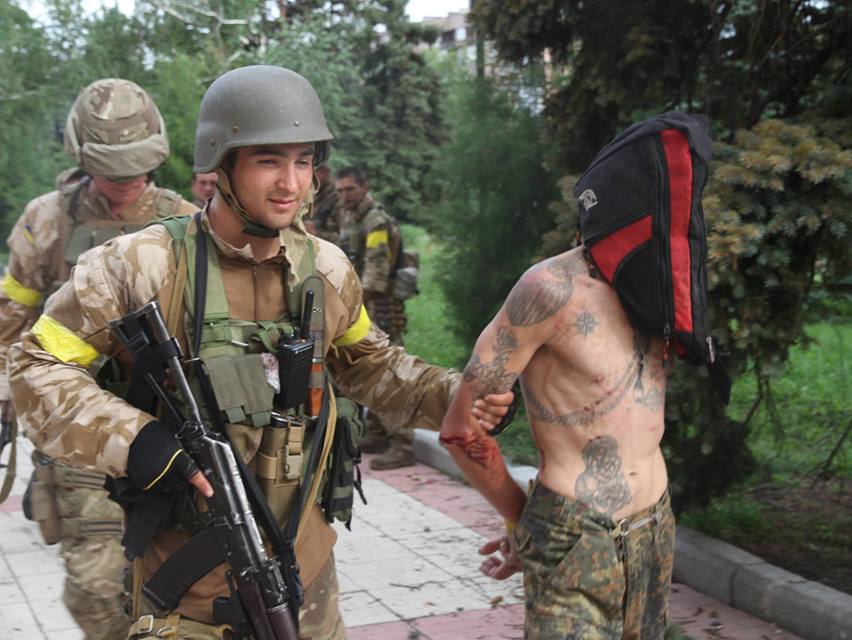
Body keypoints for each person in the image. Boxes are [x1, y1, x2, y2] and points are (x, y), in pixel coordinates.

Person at [9, 64, 511, 640]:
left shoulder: (324, 267)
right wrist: (140, 440)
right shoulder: (139, 265)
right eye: (269, 160)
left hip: (304, 574)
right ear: (221, 164)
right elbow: (35, 368)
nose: (291, 184)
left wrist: (458, 396)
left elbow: (372, 366)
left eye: (303, 161)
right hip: (186, 589)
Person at [0, 78, 196, 640]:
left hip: (169, 433)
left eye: (138, 169)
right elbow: (13, 318)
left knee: (184, 587)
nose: (128, 184)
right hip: (81, 433)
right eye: (114, 171)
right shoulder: (47, 220)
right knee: (94, 589)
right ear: (83, 157)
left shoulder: (185, 222)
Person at [439, 244, 675, 638]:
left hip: (655, 525)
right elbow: (462, 430)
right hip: (575, 530)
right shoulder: (549, 290)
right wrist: (522, 520)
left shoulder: (665, 281)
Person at [336, 166, 414, 469]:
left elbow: (377, 272)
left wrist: (352, 305)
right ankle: (379, 433)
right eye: (340, 191)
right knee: (367, 369)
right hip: (362, 305)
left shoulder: (376, 221)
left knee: (387, 373)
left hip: (379, 307)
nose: (344, 196)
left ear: (364, 187)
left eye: (350, 190)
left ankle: (403, 444)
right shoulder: (352, 217)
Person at [303, 163, 341, 244]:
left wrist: (317, 234)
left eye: (314, 172)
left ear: (326, 173)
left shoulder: (339, 198)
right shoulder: (312, 195)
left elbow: (343, 238)